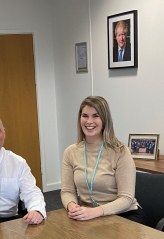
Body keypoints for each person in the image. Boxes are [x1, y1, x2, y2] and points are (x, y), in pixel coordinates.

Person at [61, 96, 146, 224]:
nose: (89, 121)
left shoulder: (121, 151)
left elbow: (126, 198)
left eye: (96, 116)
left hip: (124, 215)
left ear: (105, 120)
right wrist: (71, 205)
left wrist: (95, 212)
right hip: (88, 215)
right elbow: (67, 191)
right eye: (85, 115)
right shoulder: (70, 152)